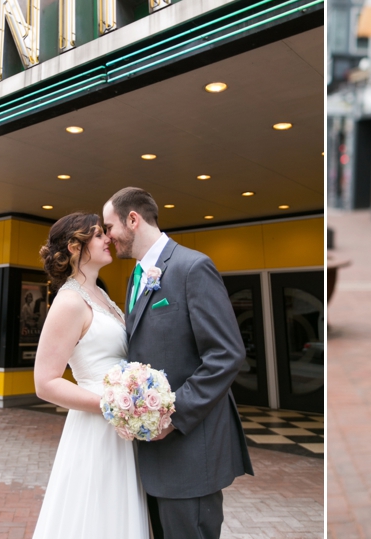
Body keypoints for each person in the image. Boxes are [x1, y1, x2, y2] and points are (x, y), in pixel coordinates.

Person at [103, 187, 252, 539]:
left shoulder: (191, 266)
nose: (108, 237)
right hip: (153, 454)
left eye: (110, 227)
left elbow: (226, 354)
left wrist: (172, 415)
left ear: (133, 220)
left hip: (189, 450)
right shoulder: (135, 277)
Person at [32, 212, 149, 539]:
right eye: (98, 235)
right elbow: (45, 383)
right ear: (74, 247)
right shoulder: (69, 302)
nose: (108, 238)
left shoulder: (103, 297)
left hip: (122, 425)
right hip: (96, 426)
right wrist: (112, 405)